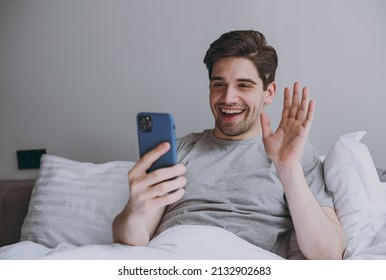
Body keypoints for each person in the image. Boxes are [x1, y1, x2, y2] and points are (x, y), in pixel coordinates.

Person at [112, 30, 346, 259]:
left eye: (244, 85)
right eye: (219, 84)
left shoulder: (296, 156)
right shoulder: (177, 150)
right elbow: (132, 240)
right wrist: (134, 209)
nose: (228, 98)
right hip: (172, 256)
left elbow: (328, 255)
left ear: (269, 92)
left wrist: (287, 167)